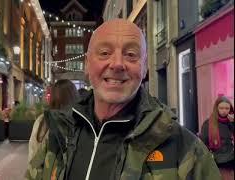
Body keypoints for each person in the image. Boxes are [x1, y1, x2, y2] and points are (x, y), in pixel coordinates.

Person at [25, 19, 221, 180]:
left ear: (144, 68)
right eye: (104, 53)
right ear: (87, 65)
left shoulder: (185, 149)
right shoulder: (57, 134)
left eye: (130, 54)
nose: (117, 64)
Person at [28, 79, 79, 162]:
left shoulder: (42, 121)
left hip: (48, 172)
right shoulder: (81, 122)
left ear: (52, 98)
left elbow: (33, 153)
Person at [200, 96, 234, 180]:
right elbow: (203, 144)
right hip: (216, 162)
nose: (224, 111)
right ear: (216, 108)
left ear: (230, 109)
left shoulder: (232, 122)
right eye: (221, 108)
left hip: (231, 161)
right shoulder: (208, 123)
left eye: (227, 108)